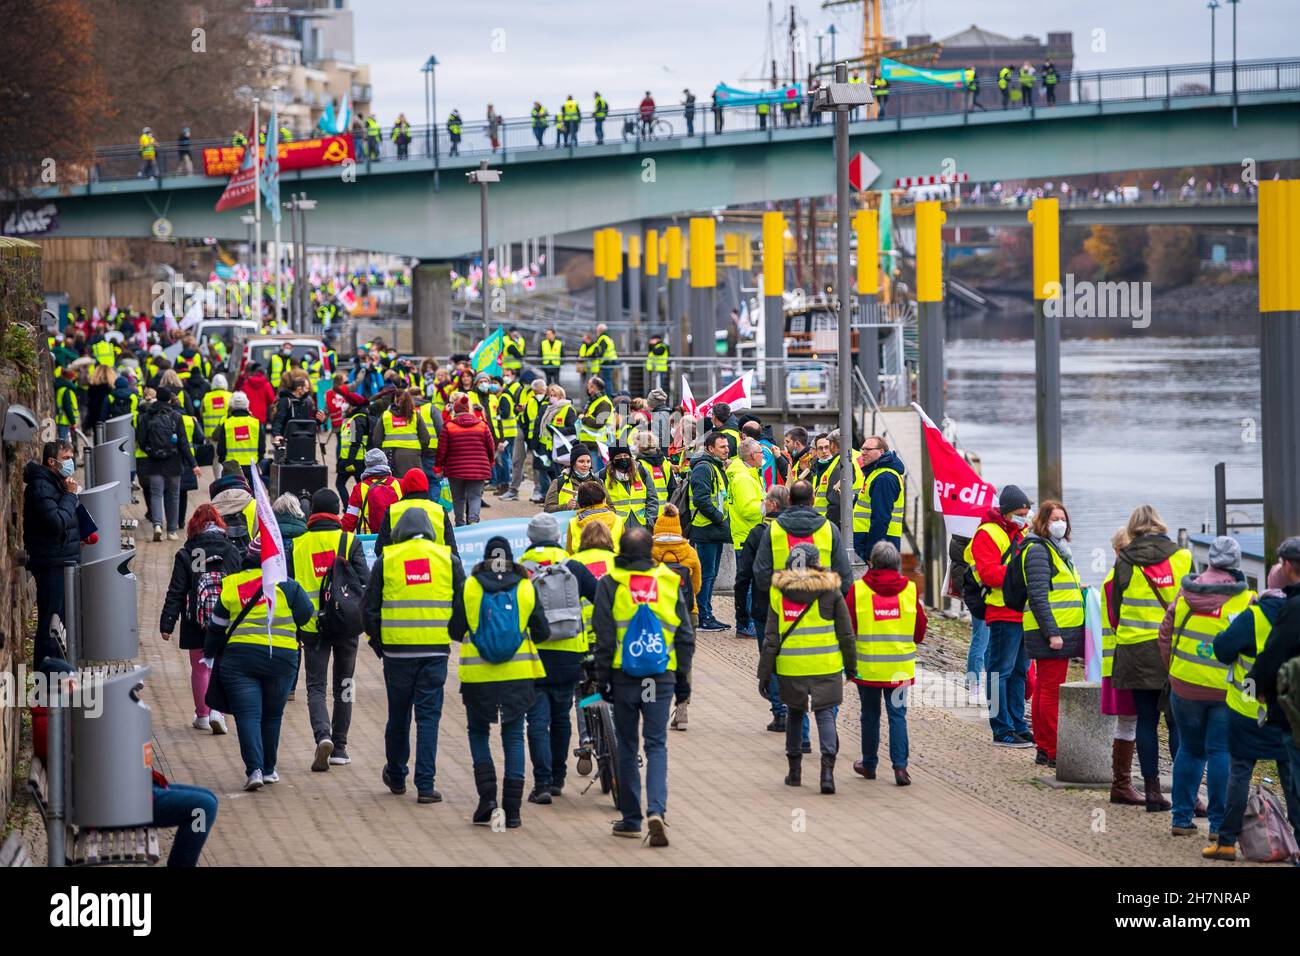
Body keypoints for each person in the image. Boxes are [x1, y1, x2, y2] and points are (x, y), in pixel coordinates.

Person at [593, 525, 694, 844]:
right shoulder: (667, 580)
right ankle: (657, 811)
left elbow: (605, 637)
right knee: (656, 744)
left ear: (621, 551)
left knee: (627, 746)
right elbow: (685, 637)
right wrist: (683, 685)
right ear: (650, 551)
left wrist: (603, 678)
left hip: (625, 677)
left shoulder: (610, 583)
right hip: (659, 676)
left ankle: (631, 818)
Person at [365, 506, 465, 803]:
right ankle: (425, 785)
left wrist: (379, 642)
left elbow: (369, 608)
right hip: (435, 652)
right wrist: (452, 635)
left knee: (398, 716)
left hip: (397, 654)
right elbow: (463, 603)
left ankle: (396, 774)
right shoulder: (449, 560)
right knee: (429, 718)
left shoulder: (387, 560)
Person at [449, 537, 550, 828]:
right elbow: (541, 632)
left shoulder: (470, 586)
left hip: (478, 676)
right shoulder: (525, 586)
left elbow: (455, 630)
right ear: (510, 557)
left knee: (478, 733)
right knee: (514, 735)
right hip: (518, 675)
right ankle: (513, 811)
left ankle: (488, 798)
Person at [1204, 559, 1300, 859]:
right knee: (1292, 778)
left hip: (1247, 709)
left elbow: (1222, 650)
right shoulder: (1295, 614)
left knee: (1240, 774)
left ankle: (1227, 840)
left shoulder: (1252, 616)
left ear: (1270, 586)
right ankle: (1297, 843)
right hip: (1285, 710)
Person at [204, 535, 315, 791]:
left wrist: (209, 654)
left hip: (240, 661)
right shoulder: (288, 585)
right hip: (282, 659)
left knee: (248, 715)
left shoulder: (232, 584)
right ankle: (269, 769)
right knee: (273, 715)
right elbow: (306, 615)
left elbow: (217, 626)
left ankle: (253, 770)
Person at [1159, 535, 1250, 840]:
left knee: (1190, 750)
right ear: (1236, 564)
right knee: (1221, 752)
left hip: (1184, 686)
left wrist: (1172, 671)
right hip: (1224, 690)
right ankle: (1216, 826)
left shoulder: (1185, 595)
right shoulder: (1244, 600)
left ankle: (1181, 818)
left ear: (1209, 560)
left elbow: (1165, 633)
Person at [1108, 504, 1193, 812]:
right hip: (1172, 650)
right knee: (1177, 724)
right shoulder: (1182, 557)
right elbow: (1191, 601)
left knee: (1145, 720)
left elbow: (1116, 608)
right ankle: (1188, 794)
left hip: (1134, 651)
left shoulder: (1125, 561)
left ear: (1133, 528)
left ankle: (1153, 792)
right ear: (1160, 524)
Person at [759, 543, 855, 794]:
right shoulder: (831, 591)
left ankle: (795, 772)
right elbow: (846, 634)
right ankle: (827, 773)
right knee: (824, 714)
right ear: (817, 563)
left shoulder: (779, 593)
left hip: (792, 667)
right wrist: (851, 666)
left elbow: (771, 638)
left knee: (795, 714)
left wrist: (765, 674)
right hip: (826, 665)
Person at [520, 514, 599, 803]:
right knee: (561, 717)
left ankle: (541, 784)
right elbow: (601, 596)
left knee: (537, 720)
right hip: (569, 653)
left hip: (534, 655)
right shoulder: (572, 566)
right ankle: (557, 778)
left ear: (530, 538)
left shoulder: (521, 568)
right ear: (555, 537)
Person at [849, 541, 926, 786]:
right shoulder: (910, 590)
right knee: (897, 716)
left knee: (869, 716)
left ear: (871, 563)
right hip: (899, 668)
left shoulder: (858, 590)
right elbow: (920, 631)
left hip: (868, 666)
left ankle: (869, 764)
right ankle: (900, 768)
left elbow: (848, 627)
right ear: (896, 565)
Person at [161, 503, 241, 735]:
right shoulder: (231, 550)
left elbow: (176, 590)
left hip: (195, 617)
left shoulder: (186, 553)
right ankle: (219, 711)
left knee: (200, 668)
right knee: (221, 666)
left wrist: (167, 623)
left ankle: (203, 715)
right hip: (224, 617)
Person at [966, 484, 1034, 748]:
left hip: (1024, 613)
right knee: (999, 672)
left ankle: (1018, 724)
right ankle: (1001, 728)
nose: (1024, 517)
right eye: (1019, 513)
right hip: (1002, 611)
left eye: (1027, 513)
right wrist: (1024, 574)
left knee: (1019, 672)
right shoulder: (988, 533)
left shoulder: (1024, 531)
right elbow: (989, 574)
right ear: (1006, 512)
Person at [1020, 501, 1085, 767]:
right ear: (1043, 523)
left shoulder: (1058, 550)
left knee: (1045, 689)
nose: (1060, 523)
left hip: (1057, 630)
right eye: (1054, 519)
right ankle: (1054, 749)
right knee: (1051, 691)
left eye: (1063, 518)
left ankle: (1044, 746)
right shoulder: (1038, 551)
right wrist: (1052, 633)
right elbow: (1037, 596)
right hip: (1050, 632)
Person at [24, 440, 90, 667]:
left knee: (59, 623)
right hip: (51, 563)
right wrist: (71, 496)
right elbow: (56, 522)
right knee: (50, 625)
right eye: (66, 458)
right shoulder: (41, 487)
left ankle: (58, 676)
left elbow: (66, 520)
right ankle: (46, 682)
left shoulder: (57, 483)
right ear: (52, 462)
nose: (70, 462)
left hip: (63, 559)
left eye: (72, 457)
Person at [650, 504, 701, 731]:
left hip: (657, 613)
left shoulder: (649, 552)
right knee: (684, 660)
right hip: (688, 612)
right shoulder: (689, 552)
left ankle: (651, 703)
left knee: (654, 657)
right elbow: (697, 586)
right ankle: (681, 706)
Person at [137, 386, 201, 542]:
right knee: (173, 495)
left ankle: (157, 524)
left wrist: (152, 452)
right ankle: (171, 531)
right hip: (174, 461)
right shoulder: (176, 416)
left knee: (156, 494)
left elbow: (142, 441)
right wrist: (194, 464)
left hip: (155, 460)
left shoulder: (147, 416)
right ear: (170, 400)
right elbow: (183, 443)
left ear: (157, 398)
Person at [688, 431, 732, 631]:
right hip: (706, 529)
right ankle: (703, 616)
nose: (726, 449)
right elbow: (701, 499)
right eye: (722, 447)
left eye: (727, 446)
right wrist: (719, 518)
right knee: (706, 575)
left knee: (710, 575)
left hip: (714, 529)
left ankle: (707, 613)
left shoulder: (715, 467)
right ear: (710, 448)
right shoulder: (704, 468)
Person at [436, 392, 494, 526]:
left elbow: (442, 450)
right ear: (469, 409)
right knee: (475, 497)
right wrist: (490, 462)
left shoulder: (449, 426)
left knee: (458, 498)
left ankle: (460, 524)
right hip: (478, 469)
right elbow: (490, 447)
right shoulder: (482, 425)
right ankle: (473, 521)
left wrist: (438, 467)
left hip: (455, 470)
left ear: (455, 409)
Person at [727, 439, 766, 638]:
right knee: (748, 584)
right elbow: (748, 509)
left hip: (749, 535)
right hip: (747, 536)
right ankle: (745, 624)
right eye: (761, 453)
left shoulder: (748, 474)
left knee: (749, 582)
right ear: (752, 456)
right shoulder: (743, 478)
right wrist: (769, 506)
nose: (763, 457)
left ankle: (747, 622)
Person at [375, 467, 457, 555]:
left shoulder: (392, 511)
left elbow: (380, 549)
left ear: (404, 487)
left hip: (400, 566)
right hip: (436, 565)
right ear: (426, 486)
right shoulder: (439, 510)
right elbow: (452, 550)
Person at [854, 435, 905, 563]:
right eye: (862, 449)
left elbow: (880, 518)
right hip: (872, 542)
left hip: (878, 547)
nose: (863, 453)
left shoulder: (884, 478)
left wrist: (873, 553)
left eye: (868, 450)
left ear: (881, 451)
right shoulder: (876, 473)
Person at [372, 388, 430, 478]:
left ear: (395, 401)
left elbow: (377, 438)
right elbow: (425, 437)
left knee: (394, 484)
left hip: (390, 455)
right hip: (412, 454)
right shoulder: (415, 415)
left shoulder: (386, 415)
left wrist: (382, 451)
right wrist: (421, 451)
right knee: (413, 483)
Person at [343, 448, 404, 534]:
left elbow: (350, 520)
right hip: (395, 537)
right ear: (385, 463)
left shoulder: (359, 488)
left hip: (368, 540)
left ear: (367, 465)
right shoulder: (400, 484)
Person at [215, 390, 265, 486]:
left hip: (231, 467)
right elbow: (262, 447)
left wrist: (223, 461)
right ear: (247, 405)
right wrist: (258, 459)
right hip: (251, 466)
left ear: (231, 406)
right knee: (252, 496)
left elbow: (221, 449)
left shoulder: (227, 423)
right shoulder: (256, 423)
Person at [604, 443, 659, 529]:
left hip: (641, 526)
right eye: (618, 456)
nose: (623, 458)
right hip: (615, 528)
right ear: (612, 459)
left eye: (625, 455)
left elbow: (652, 499)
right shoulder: (603, 476)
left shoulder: (641, 472)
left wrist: (649, 521)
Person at [566, 481, 625, 553]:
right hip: (612, 563)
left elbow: (569, 553)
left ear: (580, 501)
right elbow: (624, 551)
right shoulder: (618, 520)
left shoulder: (573, 523)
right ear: (603, 498)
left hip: (582, 563)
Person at [545, 440, 597, 512]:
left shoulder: (598, 482)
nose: (585, 465)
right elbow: (547, 509)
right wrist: (566, 506)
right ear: (573, 463)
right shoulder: (559, 482)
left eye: (588, 461)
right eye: (581, 461)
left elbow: (610, 507)